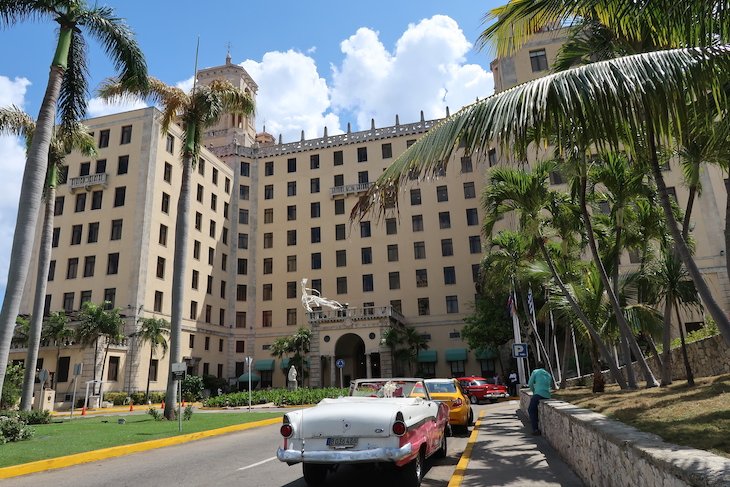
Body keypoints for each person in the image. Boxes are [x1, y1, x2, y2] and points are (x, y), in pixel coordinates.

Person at [527, 362, 552, 435]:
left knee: (531, 409)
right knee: (535, 408)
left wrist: (534, 391)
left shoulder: (535, 372)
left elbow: (530, 383)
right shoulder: (548, 374)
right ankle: (535, 420)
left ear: (537, 367)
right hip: (547, 395)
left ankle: (535, 429)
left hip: (538, 393)